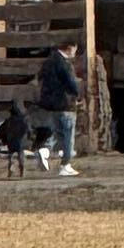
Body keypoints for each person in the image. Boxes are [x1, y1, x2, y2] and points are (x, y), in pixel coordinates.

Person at [34, 39, 84, 172]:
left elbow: (39, 79)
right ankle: (65, 165)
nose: (75, 53)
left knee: (56, 133)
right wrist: (78, 95)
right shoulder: (65, 64)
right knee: (68, 135)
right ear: (69, 48)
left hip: (49, 104)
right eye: (74, 50)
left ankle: (45, 151)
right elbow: (70, 82)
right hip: (64, 103)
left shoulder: (48, 62)